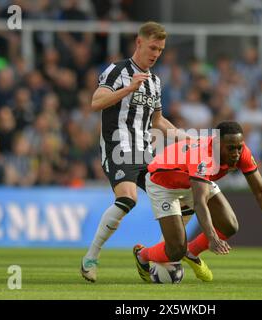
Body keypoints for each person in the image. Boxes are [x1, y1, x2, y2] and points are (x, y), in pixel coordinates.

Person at [81, 21, 189, 282]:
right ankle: (90, 259)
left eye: (161, 50)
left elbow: (158, 121)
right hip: (118, 146)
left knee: (184, 198)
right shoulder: (117, 71)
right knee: (128, 198)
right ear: (139, 42)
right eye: (153, 47)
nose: (156, 54)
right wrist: (128, 89)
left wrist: (185, 137)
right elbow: (96, 102)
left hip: (145, 151)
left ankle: (157, 254)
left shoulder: (154, 81)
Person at [133, 121, 262, 282]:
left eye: (239, 147)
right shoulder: (202, 156)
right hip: (163, 184)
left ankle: (191, 252)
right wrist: (211, 237)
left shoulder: (242, 152)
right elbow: (200, 202)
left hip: (195, 180)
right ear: (216, 144)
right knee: (175, 250)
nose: (236, 153)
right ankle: (142, 254)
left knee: (229, 225)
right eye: (230, 148)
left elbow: (260, 190)